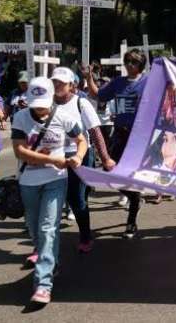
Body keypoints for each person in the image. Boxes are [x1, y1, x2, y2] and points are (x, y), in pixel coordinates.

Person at [12, 77, 88, 305]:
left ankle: (43, 284)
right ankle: (50, 261)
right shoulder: (20, 117)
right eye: (34, 104)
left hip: (56, 180)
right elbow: (20, 152)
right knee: (35, 229)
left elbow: (82, 140)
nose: (39, 108)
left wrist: (77, 156)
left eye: (43, 103)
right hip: (28, 181)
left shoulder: (64, 117)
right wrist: (51, 159)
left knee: (48, 228)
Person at [51, 67, 116, 253]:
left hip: (79, 156)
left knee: (76, 198)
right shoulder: (46, 103)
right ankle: (43, 244)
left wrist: (105, 159)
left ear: (72, 85)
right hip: (54, 157)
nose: (57, 86)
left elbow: (95, 131)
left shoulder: (81, 103)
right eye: (54, 82)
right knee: (50, 198)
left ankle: (85, 237)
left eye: (61, 83)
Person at [84, 49, 147, 239]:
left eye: (134, 62)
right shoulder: (118, 82)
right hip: (120, 134)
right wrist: (88, 78)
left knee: (133, 175)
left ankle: (131, 221)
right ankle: (134, 198)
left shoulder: (149, 82)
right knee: (110, 170)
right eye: (127, 61)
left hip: (139, 137)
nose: (129, 65)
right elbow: (98, 95)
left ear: (141, 65)